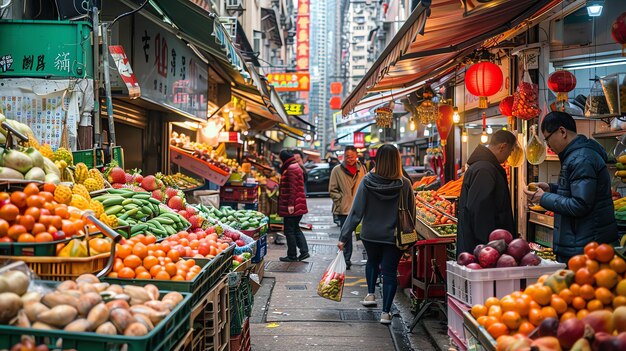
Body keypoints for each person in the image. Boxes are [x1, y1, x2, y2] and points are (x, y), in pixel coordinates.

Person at [523, 111, 617, 262]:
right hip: (582, 244)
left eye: (547, 139)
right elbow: (576, 191)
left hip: (586, 250)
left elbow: (580, 204)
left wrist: (543, 198)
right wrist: (551, 188)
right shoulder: (576, 156)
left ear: (562, 131)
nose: (548, 145)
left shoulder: (580, 158)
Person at [337, 144, 414, 324]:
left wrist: (344, 236)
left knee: (372, 261)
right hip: (394, 237)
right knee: (389, 272)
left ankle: (371, 295)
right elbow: (411, 214)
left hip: (370, 234)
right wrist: (410, 242)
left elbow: (356, 211)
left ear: (377, 160)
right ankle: (386, 313)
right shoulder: (405, 184)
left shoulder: (367, 181)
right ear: (397, 160)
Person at [456, 130, 517, 257]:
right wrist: (489, 247)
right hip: (482, 249)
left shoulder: (485, 167)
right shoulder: (485, 170)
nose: (508, 157)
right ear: (503, 147)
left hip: (481, 247)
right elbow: (480, 212)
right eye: (510, 152)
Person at [328, 145, 368, 269]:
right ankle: (346, 260)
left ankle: (368, 257)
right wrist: (340, 201)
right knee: (346, 234)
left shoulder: (362, 168)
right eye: (346, 156)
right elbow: (332, 189)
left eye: (351, 156)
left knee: (364, 233)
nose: (349, 159)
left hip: (360, 207)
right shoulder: (337, 170)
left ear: (356, 156)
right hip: (344, 208)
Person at [277, 150, 310, 262]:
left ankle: (292, 255)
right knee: (295, 229)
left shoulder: (291, 168)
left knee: (289, 230)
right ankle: (304, 252)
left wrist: (290, 204)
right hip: (297, 205)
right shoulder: (294, 166)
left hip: (293, 205)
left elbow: (292, 188)